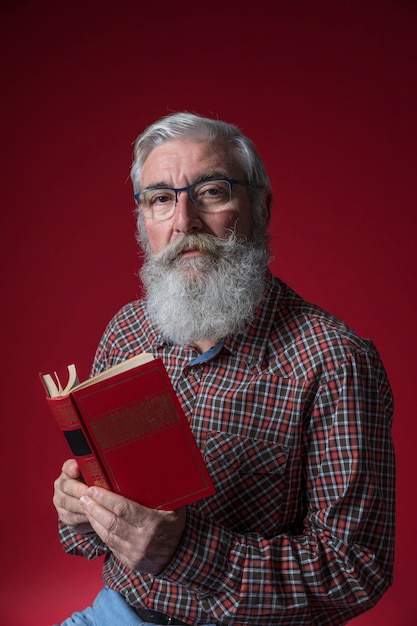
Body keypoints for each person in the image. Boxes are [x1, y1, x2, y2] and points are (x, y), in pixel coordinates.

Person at [53, 111, 395, 626]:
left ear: (260, 206)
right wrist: (80, 510)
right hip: (117, 614)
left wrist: (186, 550)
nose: (183, 221)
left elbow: (355, 570)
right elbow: (100, 522)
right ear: (144, 220)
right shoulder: (127, 332)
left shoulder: (334, 361)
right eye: (161, 198)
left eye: (211, 191)